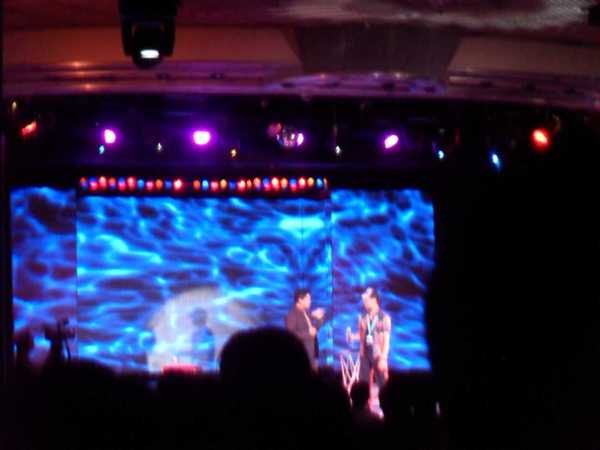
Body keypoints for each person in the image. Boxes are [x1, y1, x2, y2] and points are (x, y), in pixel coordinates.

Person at [346, 287, 391, 389]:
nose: (364, 303)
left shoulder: (383, 317)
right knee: (363, 384)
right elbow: (363, 336)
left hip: (378, 354)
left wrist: (383, 358)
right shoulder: (363, 317)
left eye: (366, 300)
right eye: (364, 300)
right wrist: (352, 337)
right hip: (365, 354)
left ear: (374, 300)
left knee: (383, 385)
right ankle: (364, 399)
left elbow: (386, 340)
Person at [285, 289, 325, 369]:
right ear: (300, 300)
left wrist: (320, 318)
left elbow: (314, 330)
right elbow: (291, 335)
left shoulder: (306, 312)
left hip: (312, 353)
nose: (310, 301)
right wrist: (308, 334)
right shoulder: (292, 315)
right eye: (308, 299)